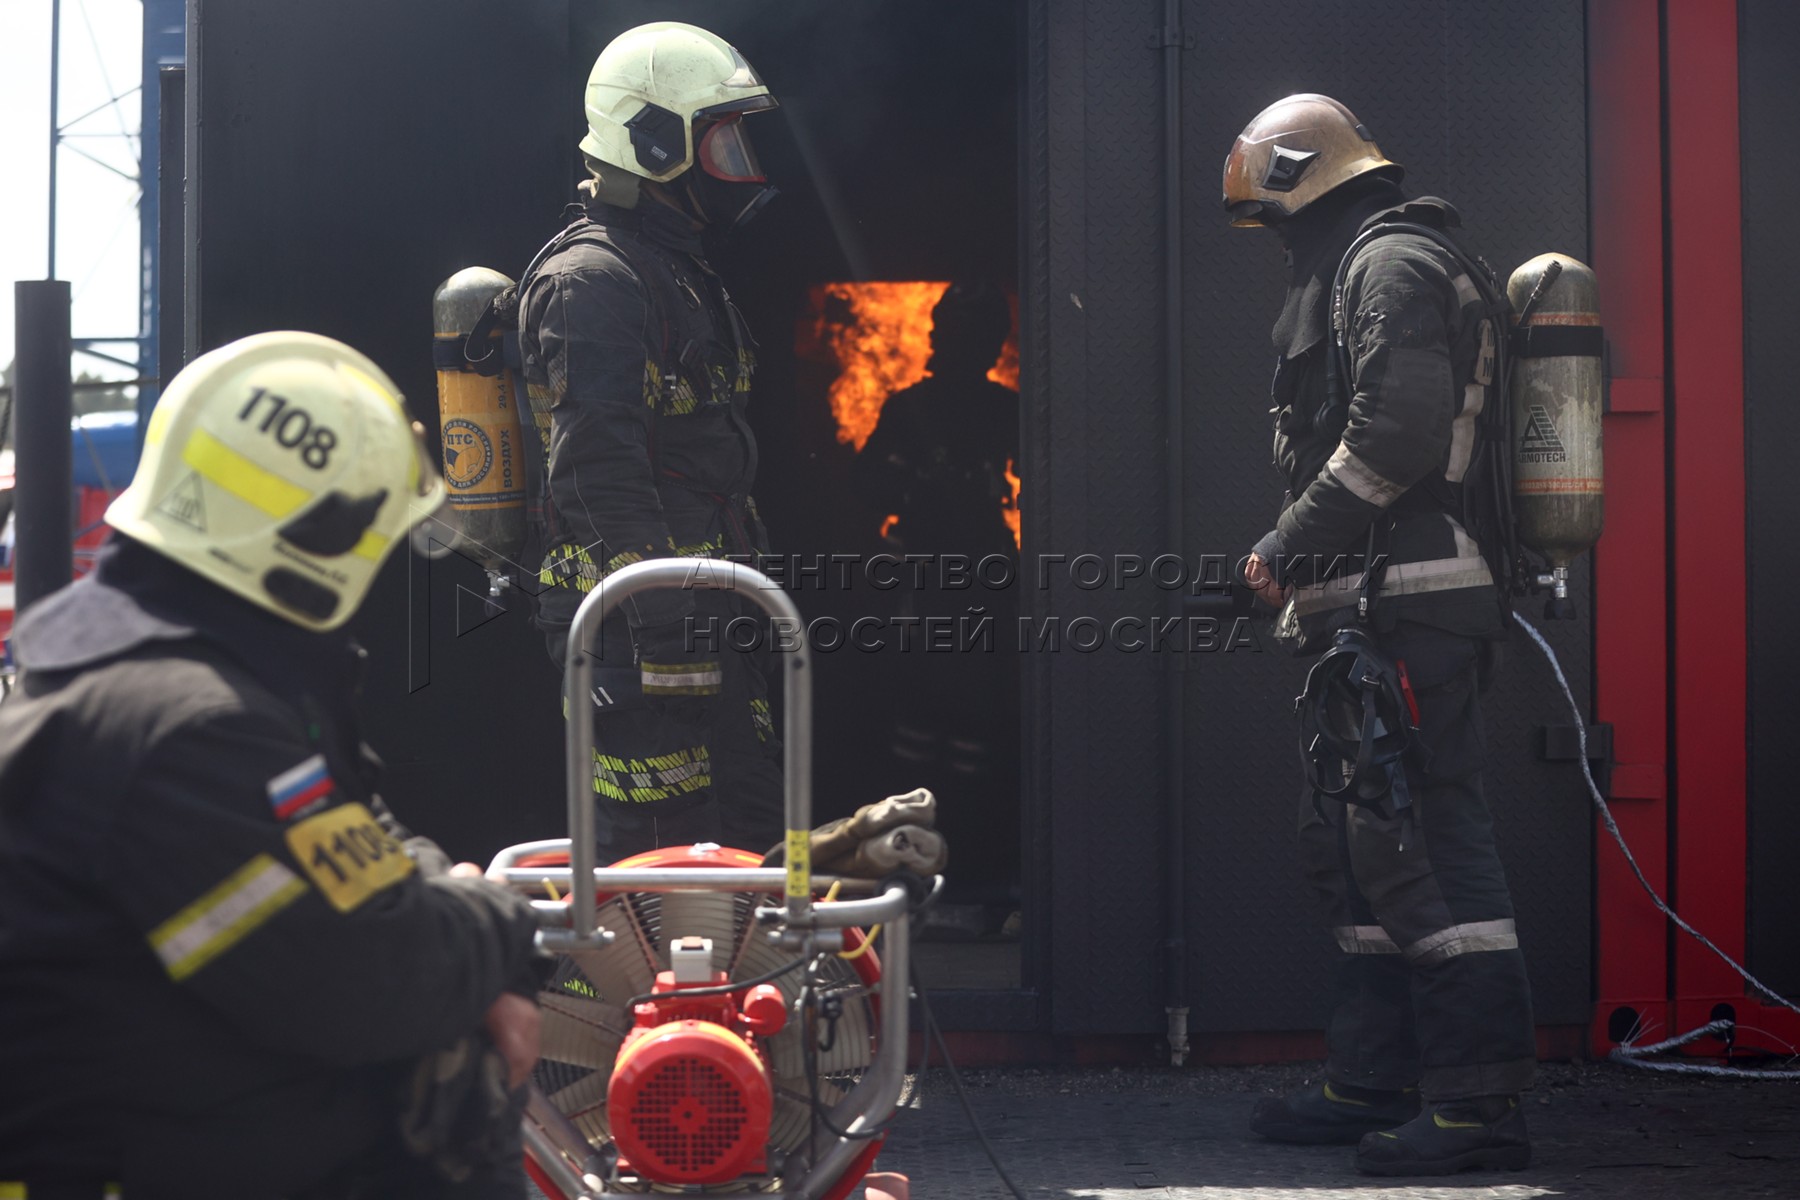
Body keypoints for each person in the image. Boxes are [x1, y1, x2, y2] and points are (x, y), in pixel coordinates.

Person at [0, 333, 547, 1198]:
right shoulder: (187, 732)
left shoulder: (180, 684)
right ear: (322, 541)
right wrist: (499, 919)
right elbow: (376, 979)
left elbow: (361, 843)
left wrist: (448, 915)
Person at [1222, 94, 1535, 1175]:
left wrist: (1285, 542)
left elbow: (1395, 435)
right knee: (1360, 849)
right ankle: (1373, 1081)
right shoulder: (1365, 262)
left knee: (1427, 848)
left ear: (1301, 180)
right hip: (1366, 610)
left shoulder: (1389, 265)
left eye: (1271, 217)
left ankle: (1477, 1106)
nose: (1274, 243)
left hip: (1411, 602)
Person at [516, 21, 785, 860]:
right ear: (656, 139)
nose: (737, 162)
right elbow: (596, 470)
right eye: (722, 138)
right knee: (660, 859)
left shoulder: (670, 267)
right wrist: (662, 627)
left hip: (698, 609)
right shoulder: (595, 282)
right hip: (641, 630)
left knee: (740, 843)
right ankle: (607, 999)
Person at [852, 281, 1020, 896]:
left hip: (962, 590)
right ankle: (942, 868)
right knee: (934, 732)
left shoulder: (994, 411)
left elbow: (867, 494)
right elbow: (868, 493)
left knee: (952, 732)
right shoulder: (933, 411)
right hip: (942, 588)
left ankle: (946, 868)